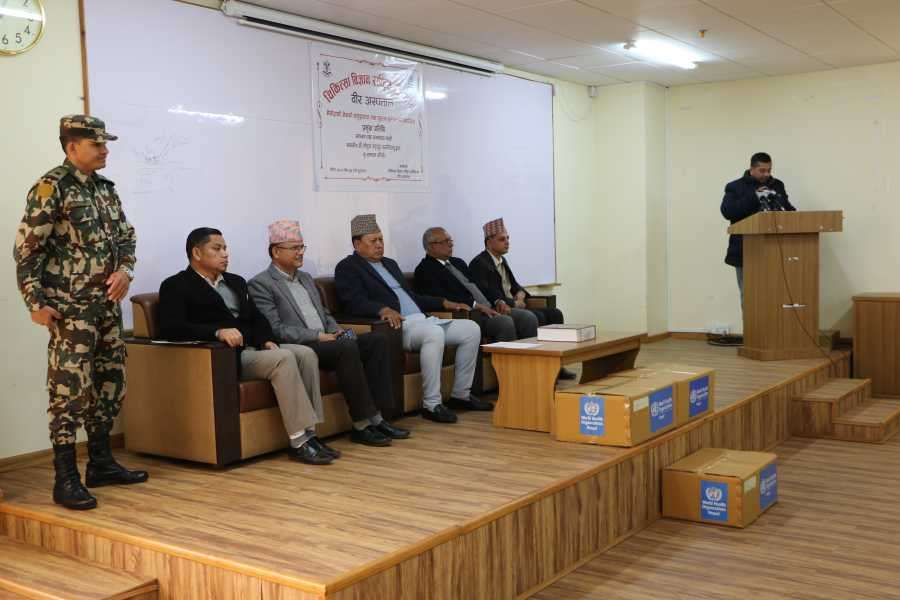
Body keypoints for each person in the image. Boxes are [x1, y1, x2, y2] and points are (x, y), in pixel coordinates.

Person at [13, 115, 148, 511]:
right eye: (97, 144)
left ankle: (101, 463)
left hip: (106, 308)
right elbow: (27, 249)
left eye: (105, 144)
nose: (105, 150)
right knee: (69, 391)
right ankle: (65, 477)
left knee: (110, 383)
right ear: (72, 147)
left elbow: (126, 237)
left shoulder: (105, 189)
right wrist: (35, 302)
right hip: (70, 311)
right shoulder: (51, 187)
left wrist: (125, 271)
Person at [158, 228, 334, 465]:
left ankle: (311, 434)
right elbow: (171, 328)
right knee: (284, 358)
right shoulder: (176, 285)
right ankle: (298, 441)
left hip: (254, 348)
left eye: (225, 248)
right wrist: (217, 332)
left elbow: (257, 318)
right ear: (197, 253)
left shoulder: (236, 282)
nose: (225, 254)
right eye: (217, 249)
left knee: (305, 353)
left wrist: (266, 339)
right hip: (224, 357)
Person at [248, 219, 410, 447]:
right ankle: (362, 424)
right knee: (346, 346)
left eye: (302, 247)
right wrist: (319, 337)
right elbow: (275, 329)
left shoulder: (305, 278)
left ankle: (379, 418)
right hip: (306, 344)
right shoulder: (261, 284)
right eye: (294, 248)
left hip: (330, 338)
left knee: (375, 340)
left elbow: (324, 313)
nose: (300, 253)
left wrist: (336, 330)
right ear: (276, 251)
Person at [334, 214, 491, 424]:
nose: (380, 245)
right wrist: (381, 309)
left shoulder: (390, 264)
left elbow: (412, 297)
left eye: (381, 239)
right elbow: (352, 301)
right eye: (373, 241)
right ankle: (432, 404)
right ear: (357, 244)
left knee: (471, 329)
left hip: (423, 320)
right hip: (398, 326)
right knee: (434, 333)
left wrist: (444, 302)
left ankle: (461, 395)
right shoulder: (348, 267)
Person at [469, 218, 574, 379]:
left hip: (513, 304)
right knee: (532, 317)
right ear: (489, 242)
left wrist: (521, 294)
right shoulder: (479, 263)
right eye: (502, 239)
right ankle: (532, 369)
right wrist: (513, 302)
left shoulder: (502, 260)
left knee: (554, 313)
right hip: (498, 308)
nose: (507, 242)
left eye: (508, 238)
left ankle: (556, 366)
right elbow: (488, 293)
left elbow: (515, 285)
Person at [414, 226, 538, 342]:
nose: (451, 244)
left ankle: (531, 357)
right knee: (504, 323)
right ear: (431, 246)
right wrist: (475, 305)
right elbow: (443, 297)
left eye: (450, 240)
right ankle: (506, 359)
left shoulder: (458, 262)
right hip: (470, 314)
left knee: (528, 317)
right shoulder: (424, 270)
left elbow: (480, 286)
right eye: (445, 241)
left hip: (489, 307)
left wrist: (498, 301)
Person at [721, 152, 796, 300]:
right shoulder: (735, 187)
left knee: (774, 295)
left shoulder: (777, 185)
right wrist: (755, 196)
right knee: (750, 296)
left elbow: (787, 208)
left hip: (775, 250)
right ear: (752, 169)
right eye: (762, 170)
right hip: (745, 250)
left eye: (769, 170)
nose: (766, 174)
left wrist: (794, 216)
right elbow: (728, 211)